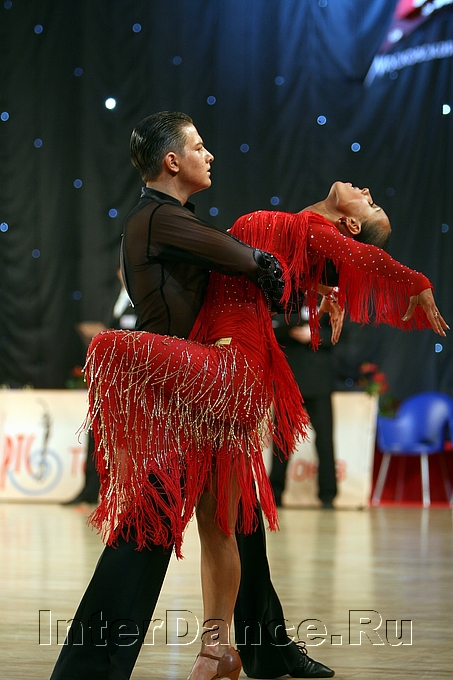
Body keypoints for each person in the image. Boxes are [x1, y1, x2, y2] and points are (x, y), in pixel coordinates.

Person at [49, 112, 336, 680]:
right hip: (177, 397)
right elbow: (252, 258)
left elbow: (251, 263)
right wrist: (289, 266)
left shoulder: (167, 220)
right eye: (199, 147)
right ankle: (88, 669)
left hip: (196, 391)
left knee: (239, 520)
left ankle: (262, 650)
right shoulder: (158, 218)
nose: (210, 155)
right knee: (148, 529)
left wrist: (304, 276)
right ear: (171, 161)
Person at [270, 309, 337, 509]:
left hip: (319, 380)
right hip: (289, 379)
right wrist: (289, 328)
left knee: (324, 439)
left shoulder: (328, 301)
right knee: (282, 439)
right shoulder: (286, 300)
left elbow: (340, 334)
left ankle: (328, 495)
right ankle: (275, 493)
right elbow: (271, 327)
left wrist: (315, 335)